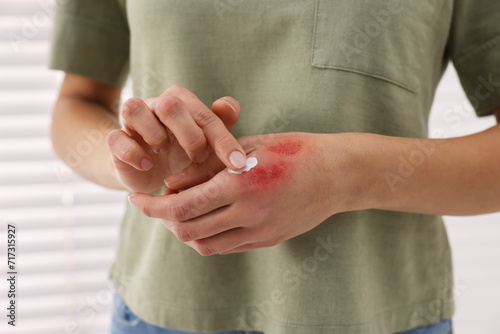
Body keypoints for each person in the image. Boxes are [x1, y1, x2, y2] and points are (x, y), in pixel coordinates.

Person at [49, 1, 500, 333]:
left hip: (377, 311)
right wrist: (133, 156)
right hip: (162, 311)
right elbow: (77, 105)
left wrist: (347, 175)